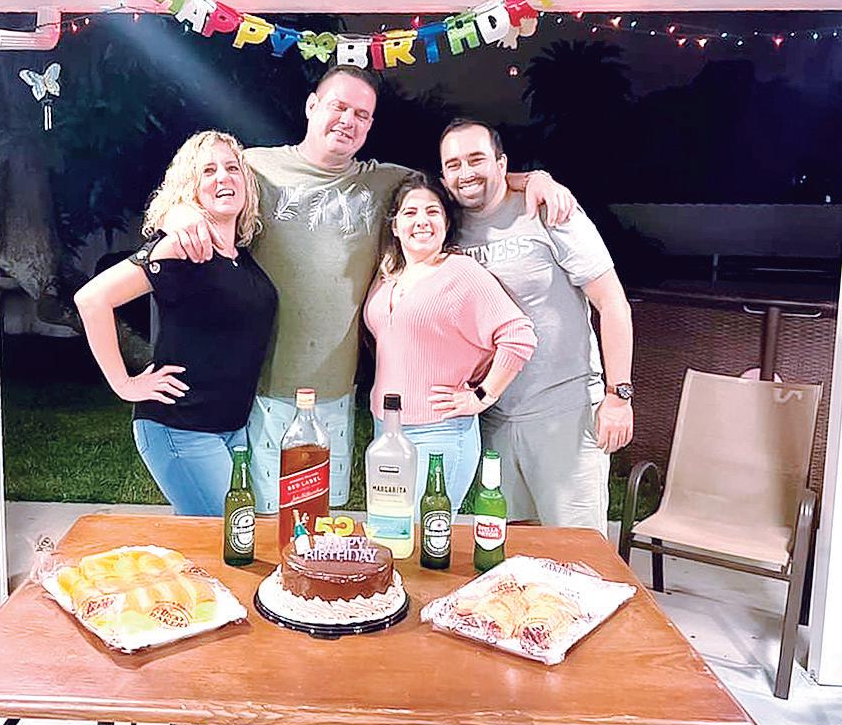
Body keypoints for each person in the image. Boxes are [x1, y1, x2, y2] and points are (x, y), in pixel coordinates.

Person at [163, 65, 576, 513]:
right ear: (312, 106)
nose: (348, 120)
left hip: (338, 394)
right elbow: (192, 187)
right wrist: (178, 215)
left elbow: (458, 185)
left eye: (361, 114)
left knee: (321, 520)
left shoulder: (384, 183)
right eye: (338, 106)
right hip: (262, 390)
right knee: (262, 520)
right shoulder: (256, 168)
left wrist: (532, 179)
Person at [439, 118, 634, 533]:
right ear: (443, 177)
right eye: (453, 164)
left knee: (579, 549)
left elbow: (612, 302)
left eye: (476, 159)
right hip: (491, 418)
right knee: (509, 547)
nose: (465, 172)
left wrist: (618, 397)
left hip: (564, 411)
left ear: (501, 163)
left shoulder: (548, 210)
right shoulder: (445, 227)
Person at [73, 131, 277, 516]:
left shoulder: (242, 257)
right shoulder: (180, 248)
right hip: (180, 428)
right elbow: (92, 299)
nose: (223, 177)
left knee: (229, 539)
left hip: (231, 430)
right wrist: (124, 384)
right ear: (190, 188)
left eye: (232, 168)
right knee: (229, 536)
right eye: (208, 171)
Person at [364, 172, 537, 513]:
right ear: (395, 226)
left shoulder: (461, 273)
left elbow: (518, 335)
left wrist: (483, 395)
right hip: (386, 428)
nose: (421, 221)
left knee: (424, 531)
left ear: (446, 223)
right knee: (389, 527)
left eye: (433, 212)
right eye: (410, 212)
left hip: (440, 432)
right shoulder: (388, 276)